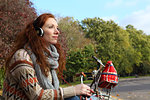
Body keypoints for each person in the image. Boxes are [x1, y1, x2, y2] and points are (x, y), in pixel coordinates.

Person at [2, 13, 94, 100]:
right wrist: (74, 90)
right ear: (39, 32)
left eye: (57, 28)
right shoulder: (22, 56)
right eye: (51, 27)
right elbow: (36, 95)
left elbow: (52, 90)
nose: (57, 31)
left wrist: (78, 92)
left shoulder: (48, 58)